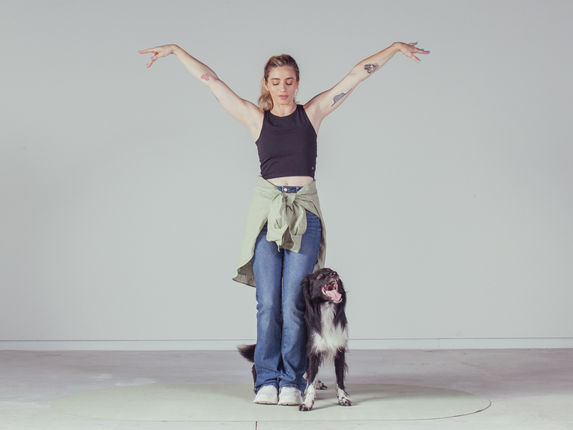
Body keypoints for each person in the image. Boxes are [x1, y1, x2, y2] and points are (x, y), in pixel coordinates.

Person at [139, 42, 430, 406]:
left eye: (289, 81)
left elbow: (355, 75)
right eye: (276, 81)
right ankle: (266, 378)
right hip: (268, 215)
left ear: (297, 83)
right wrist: (175, 51)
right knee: (268, 303)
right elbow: (212, 81)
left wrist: (395, 49)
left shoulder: (312, 114)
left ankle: (292, 379)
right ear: (266, 83)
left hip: (304, 213)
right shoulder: (256, 118)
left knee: (295, 303)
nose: (282, 88)